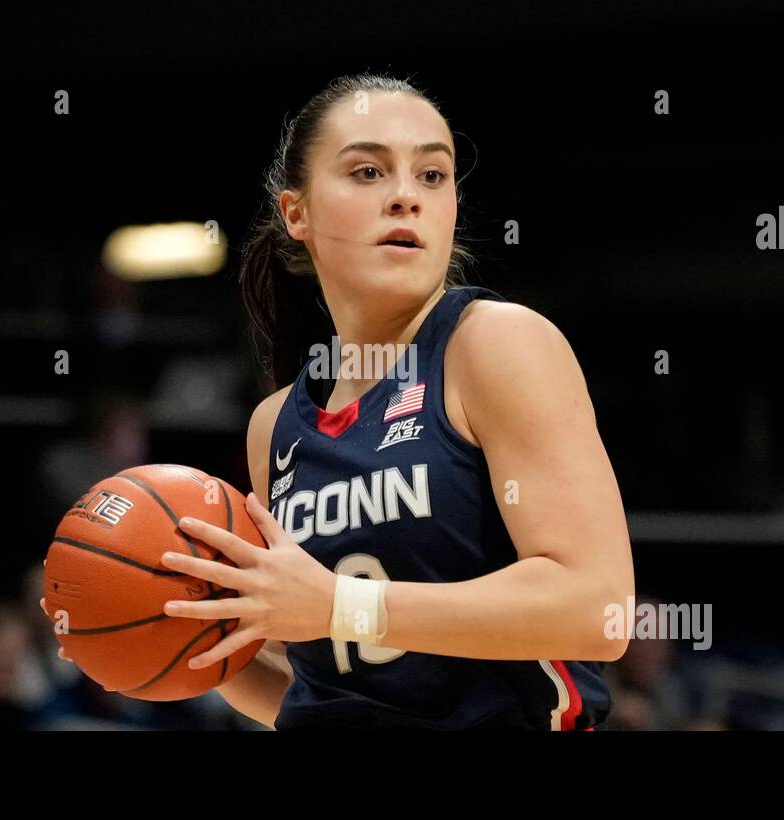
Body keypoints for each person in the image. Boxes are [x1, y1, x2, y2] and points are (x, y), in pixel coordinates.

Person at [157, 73, 634, 730]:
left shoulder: (494, 346)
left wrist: (342, 606)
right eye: (368, 171)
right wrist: (161, 634)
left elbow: (596, 610)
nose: (406, 196)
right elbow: (315, 696)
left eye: (432, 176)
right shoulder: (276, 427)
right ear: (297, 213)